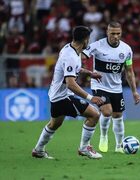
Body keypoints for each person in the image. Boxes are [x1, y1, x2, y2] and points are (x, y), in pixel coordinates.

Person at [32, 26, 104, 159]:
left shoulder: (68, 48)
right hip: (63, 97)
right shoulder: (70, 55)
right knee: (94, 115)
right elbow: (70, 83)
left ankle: (38, 150)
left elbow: (73, 68)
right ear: (86, 40)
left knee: (55, 124)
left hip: (55, 95)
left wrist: (89, 73)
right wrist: (90, 97)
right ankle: (84, 149)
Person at [82, 21, 140, 153]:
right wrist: (87, 71)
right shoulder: (97, 46)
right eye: (113, 33)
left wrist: (134, 92)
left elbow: (129, 71)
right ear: (107, 32)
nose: (115, 36)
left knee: (118, 115)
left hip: (116, 87)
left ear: (121, 33)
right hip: (99, 85)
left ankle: (119, 145)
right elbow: (82, 56)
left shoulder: (126, 50)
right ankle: (103, 136)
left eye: (118, 33)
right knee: (107, 111)